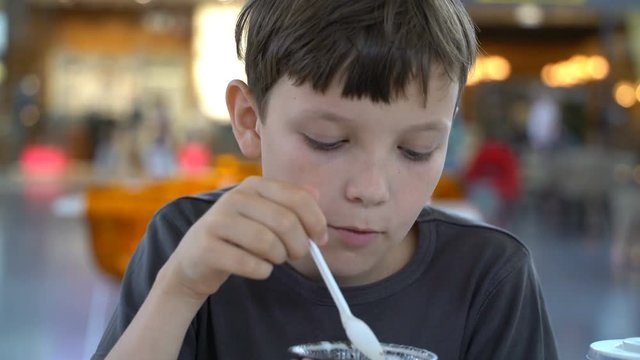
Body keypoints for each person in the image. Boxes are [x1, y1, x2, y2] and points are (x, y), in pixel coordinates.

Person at [92, 1, 558, 359]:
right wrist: (181, 289)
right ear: (251, 121)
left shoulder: (489, 278)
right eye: (327, 140)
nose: (370, 189)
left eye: (416, 149)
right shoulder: (188, 245)